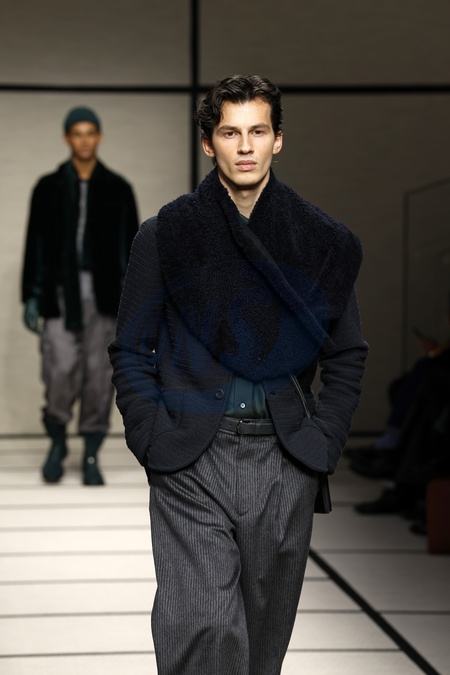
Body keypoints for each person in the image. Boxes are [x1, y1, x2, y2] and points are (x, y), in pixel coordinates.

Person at [109, 75, 368, 674]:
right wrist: (151, 436)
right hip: (191, 456)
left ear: (278, 139)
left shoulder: (319, 242)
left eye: (258, 131)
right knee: (200, 626)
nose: (245, 146)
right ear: (209, 143)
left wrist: (322, 442)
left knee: (261, 644)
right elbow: (130, 348)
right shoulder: (166, 236)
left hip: (285, 459)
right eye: (230, 132)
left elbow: (347, 352)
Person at [21, 106, 139, 485]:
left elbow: (132, 249)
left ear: (99, 137)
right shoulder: (48, 187)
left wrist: (134, 301)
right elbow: (35, 244)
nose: (84, 140)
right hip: (60, 294)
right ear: (67, 138)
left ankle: (90, 452)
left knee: (99, 375)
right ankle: (57, 442)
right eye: (77, 133)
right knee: (58, 369)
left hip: (106, 296)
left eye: (90, 133)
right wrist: (31, 296)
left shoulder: (118, 188)